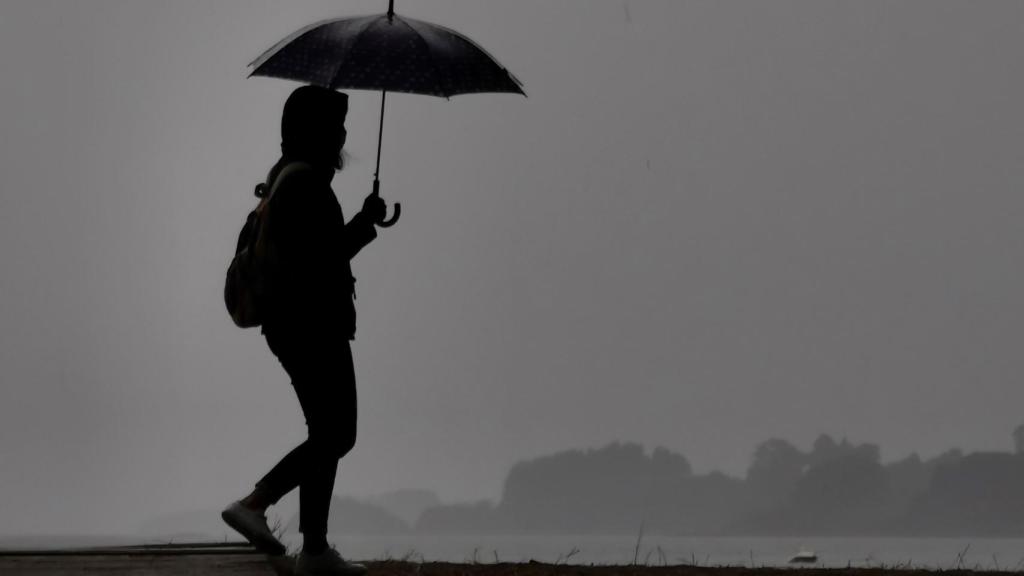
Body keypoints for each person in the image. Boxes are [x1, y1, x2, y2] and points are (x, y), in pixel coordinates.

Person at [222, 85, 388, 576]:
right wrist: (362, 223)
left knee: (328, 432)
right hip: (310, 325)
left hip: (297, 324)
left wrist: (362, 220)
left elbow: (318, 253)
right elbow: (320, 260)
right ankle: (254, 503)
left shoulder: (290, 179)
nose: (342, 135)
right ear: (313, 132)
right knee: (337, 433)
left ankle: (315, 551)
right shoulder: (305, 186)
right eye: (335, 126)